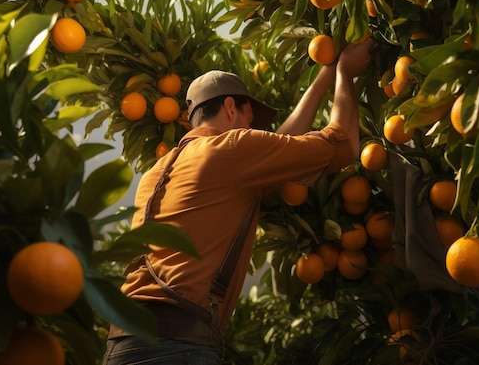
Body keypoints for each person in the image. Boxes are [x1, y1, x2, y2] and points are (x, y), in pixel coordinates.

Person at [103, 38, 376, 365]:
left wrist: (323, 78)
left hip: (123, 344)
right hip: (177, 346)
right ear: (231, 109)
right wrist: (345, 73)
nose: (251, 131)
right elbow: (340, 144)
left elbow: (282, 145)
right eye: (249, 120)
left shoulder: (157, 171)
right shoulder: (230, 150)